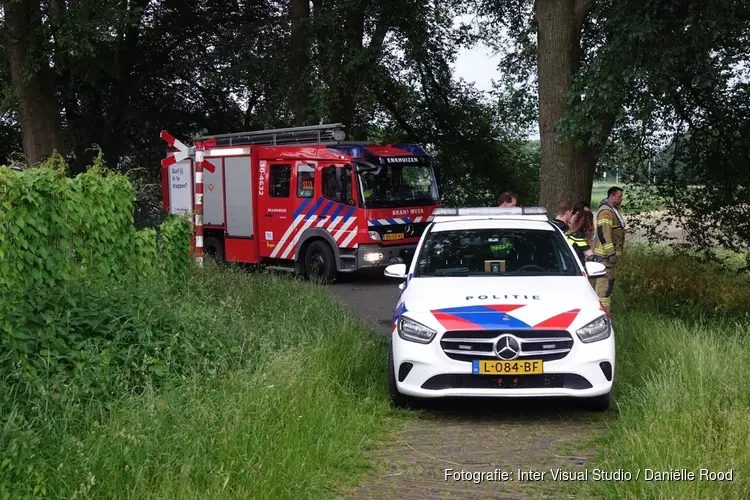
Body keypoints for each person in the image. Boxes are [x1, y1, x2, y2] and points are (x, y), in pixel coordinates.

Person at [592, 186, 626, 315]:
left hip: (608, 257)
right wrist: (611, 252)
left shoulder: (613, 210)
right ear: (611, 196)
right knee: (603, 288)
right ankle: (602, 315)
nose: (621, 199)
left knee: (608, 286)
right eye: (619, 196)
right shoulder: (606, 212)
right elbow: (604, 233)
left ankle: (606, 313)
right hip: (605, 257)